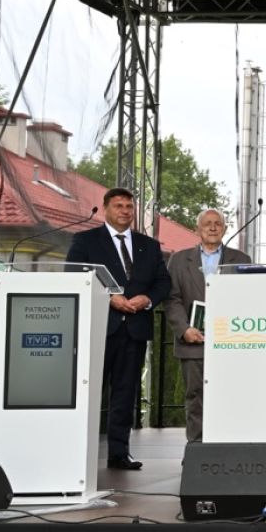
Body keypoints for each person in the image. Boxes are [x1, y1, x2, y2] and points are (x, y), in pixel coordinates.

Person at [65, 187, 171, 470]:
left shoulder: (149, 245)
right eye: (118, 206)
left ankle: (119, 453)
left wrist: (148, 299)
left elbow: (163, 282)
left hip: (135, 330)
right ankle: (77, 452)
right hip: (99, 328)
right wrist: (108, 297)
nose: (125, 211)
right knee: (89, 392)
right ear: (105, 208)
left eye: (129, 206)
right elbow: (73, 276)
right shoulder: (85, 240)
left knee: (125, 394)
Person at [164, 209, 251, 444]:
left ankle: (228, 446)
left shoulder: (242, 259)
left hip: (231, 341)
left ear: (225, 229)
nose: (213, 228)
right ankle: (196, 448)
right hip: (193, 340)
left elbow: (248, 298)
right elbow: (172, 299)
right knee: (195, 396)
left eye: (217, 224)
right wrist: (184, 330)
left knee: (231, 395)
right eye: (207, 224)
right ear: (197, 229)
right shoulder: (179, 260)